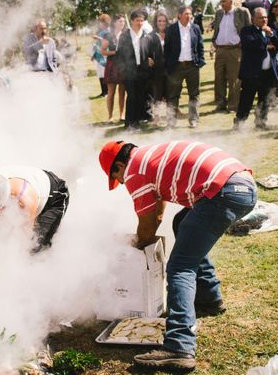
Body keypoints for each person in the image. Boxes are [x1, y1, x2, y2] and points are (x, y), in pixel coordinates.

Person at [98, 140, 256, 371]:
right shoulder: (150, 156)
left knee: (180, 266)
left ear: (120, 165)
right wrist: (147, 233)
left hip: (222, 192)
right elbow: (157, 214)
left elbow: (147, 224)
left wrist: (134, 246)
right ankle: (209, 298)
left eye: (117, 177)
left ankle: (179, 347)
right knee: (182, 222)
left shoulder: (134, 171)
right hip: (242, 184)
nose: (122, 183)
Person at [234, 8, 278, 129]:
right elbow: (250, 43)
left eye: (265, 17)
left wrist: (270, 34)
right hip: (251, 73)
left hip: (267, 73)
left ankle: (260, 122)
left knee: (264, 99)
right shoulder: (247, 30)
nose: (264, 19)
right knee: (246, 100)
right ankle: (239, 123)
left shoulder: (270, 30)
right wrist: (267, 45)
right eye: (261, 17)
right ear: (253, 19)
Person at [165, 5, 205, 128]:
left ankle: (193, 120)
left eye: (190, 14)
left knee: (194, 94)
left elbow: (200, 46)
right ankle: (171, 120)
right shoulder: (171, 29)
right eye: (186, 14)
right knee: (173, 95)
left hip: (192, 66)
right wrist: (169, 64)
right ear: (179, 15)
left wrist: (200, 61)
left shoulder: (195, 28)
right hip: (176, 67)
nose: (189, 16)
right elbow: (167, 49)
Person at [212, 0, 251, 113]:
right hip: (220, 50)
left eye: (223, 1)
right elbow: (217, 29)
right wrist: (214, 41)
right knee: (219, 78)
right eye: (221, 1)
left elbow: (248, 29)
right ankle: (220, 104)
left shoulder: (242, 12)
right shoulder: (219, 13)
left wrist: (243, 43)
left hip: (235, 50)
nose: (221, 4)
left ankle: (233, 105)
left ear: (231, 2)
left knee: (234, 79)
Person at [116, 10, 152, 129]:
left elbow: (149, 52)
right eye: (137, 20)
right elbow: (119, 55)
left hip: (143, 71)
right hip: (129, 71)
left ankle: (137, 121)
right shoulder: (125, 36)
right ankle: (130, 123)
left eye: (142, 20)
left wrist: (150, 59)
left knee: (141, 96)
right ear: (131, 21)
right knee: (131, 96)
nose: (140, 23)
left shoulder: (146, 35)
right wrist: (123, 71)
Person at [144, 10, 169, 124]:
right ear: (155, 22)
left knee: (169, 94)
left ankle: (169, 117)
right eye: (159, 21)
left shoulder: (170, 34)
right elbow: (145, 52)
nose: (162, 23)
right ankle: (157, 118)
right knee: (157, 95)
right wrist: (147, 59)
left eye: (164, 21)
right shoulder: (150, 36)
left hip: (170, 69)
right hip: (156, 71)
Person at [102, 15, 126, 123]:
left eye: (123, 22)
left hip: (123, 65)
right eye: (120, 21)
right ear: (115, 23)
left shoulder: (126, 35)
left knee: (122, 92)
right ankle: (110, 116)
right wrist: (114, 52)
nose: (122, 23)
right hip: (112, 65)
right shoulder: (108, 35)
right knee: (111, 92)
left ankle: (122, 115)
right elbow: (102, 51)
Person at [91, 15, 110, 98]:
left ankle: (106, 92)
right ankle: (103, 92)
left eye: (100, 22)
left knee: (104, 74)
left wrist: (97, 37)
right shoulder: (101, 31)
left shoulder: (108, 32)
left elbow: (107, 42)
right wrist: (94, 54)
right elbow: (97, 44)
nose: (99, 24)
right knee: (100, 75)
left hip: (104, 56)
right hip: (99, 56)